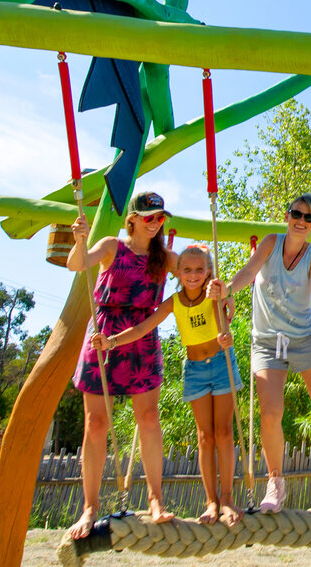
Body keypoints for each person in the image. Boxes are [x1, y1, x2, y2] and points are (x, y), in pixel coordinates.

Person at [216, 193, 311, 513]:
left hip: (304, 336)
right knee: (270, 412)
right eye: (296, 214)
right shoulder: (271, 243)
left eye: (308, 218)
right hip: (268, 341)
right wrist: (227, 288)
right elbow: (247, 272)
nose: (301, 221)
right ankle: (275, 482)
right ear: (287, 216)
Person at [91, 244, 245, 526]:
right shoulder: (173, 302)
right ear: (178, 273)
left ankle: (227, 499)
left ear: (208, 271)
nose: (193, 275)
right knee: (204, 437)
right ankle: (211, 502)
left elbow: (227, 311)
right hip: (196, 369)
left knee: (223, 433)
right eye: (187, 269)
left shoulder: (214, 294)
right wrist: (111, 341)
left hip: (222, 364)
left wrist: (227, 314)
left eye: (200, 269)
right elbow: (142, 328)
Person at [66, 191, 179, 540]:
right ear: (132, 219)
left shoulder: (165, 257)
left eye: (161, 218)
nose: (156, 223)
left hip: (142, 336)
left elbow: (198, 276)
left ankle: (156, 500)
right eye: (150, 217)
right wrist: (79, 240)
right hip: (104, 333)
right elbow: (76, 264)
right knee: (95, 424)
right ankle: (89, 508)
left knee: (148, 418)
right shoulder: (112, 246)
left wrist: (211, 274)